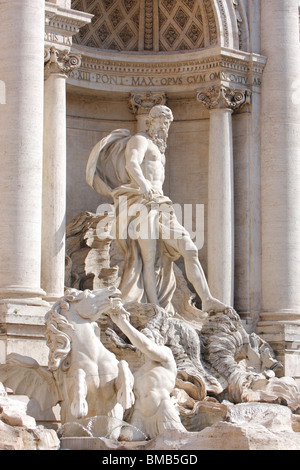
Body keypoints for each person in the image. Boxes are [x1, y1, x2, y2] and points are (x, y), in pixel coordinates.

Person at [86, 105, 227, 313]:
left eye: (167, 123)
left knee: (189, 248)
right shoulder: (140, 140)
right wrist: (143, 185)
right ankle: (154, 305)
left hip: (161, 205)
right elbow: (131, 163)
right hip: (141, 202)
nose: (163, 127)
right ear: (150, 122)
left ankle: (206, 299)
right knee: (148, 257)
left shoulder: (160, 151)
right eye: (160, 122)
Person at [107, 301, 186, 440]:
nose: (141, 342)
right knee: (125, 441)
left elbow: (147, 347)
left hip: (162, 411)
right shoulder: (138, 372)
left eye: (147, 337)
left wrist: (123, 323)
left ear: (159, 340)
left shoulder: (166, 357)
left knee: (178, 443)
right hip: (139, 416)